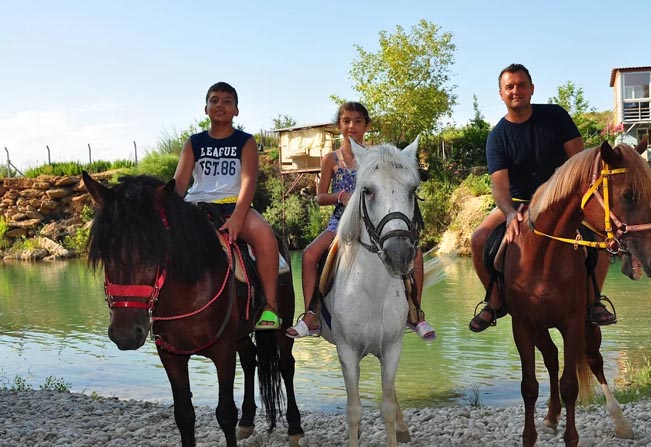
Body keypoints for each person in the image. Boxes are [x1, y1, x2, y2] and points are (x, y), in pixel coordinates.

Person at [468, 63, 616, 332]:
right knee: (477, 239)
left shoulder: (556, 116)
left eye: (522, 85)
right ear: (501, 94)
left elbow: (579, 162)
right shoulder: (497, 137)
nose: (516, 90)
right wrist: (511, 214)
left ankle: (595, 300)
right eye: (509, 86)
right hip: (519, 202)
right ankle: (494, 301)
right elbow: (500, 187)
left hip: (562, 201)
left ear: (532, 89)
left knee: (600, 238)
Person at [286, 102, 435, 341]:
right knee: (310, 254)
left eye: (357, 121)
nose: (351, 126)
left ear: (367, 126)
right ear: (339, 126)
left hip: (374, 222)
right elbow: (320, 197)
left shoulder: (376, 157)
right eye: (346, 121)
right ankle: (311, 314)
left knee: (415, 254)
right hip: (341, 222)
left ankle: (415, 312)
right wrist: (340, 196)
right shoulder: (330, 159)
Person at [174, 81, 281, 331]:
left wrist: (237, 218)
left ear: (236, 111)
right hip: (196, 206)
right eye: (214, 100)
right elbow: (179, 183)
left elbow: (249, 181)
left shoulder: (245, 141)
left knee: (266, 238)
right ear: (205, 108)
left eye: (226, 101)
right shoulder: (193, 142)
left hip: (234, 205)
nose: (219, 105)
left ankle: (271, 307)